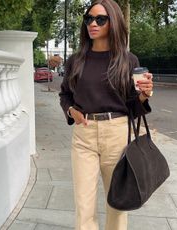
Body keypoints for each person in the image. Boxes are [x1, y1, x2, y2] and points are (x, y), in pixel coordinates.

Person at [59, 0, 153, 229]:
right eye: (89, 18)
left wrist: (143, 96)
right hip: (84, 135)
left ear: (114, 22)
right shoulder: (76, 61)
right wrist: (71, 111)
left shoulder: (128, 61)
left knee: (117, 202)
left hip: (117, 134)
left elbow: (132, 107)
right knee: (84, 204)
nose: (93, 23)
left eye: (100, 19)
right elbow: (65, 95)